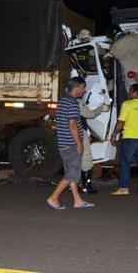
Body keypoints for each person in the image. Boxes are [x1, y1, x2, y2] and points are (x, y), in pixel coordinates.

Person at [46, 77, 95, 210]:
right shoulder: (73, 103)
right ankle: (54, 197)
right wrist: (79, 143)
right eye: (83, 87)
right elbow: (72, 125)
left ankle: (77, 200)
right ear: (77, 87)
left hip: (63, 143)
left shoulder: (63, 101)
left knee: (70, 173)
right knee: (72, 174)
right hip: (71, 144)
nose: (84, 91)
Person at [107, 71, 138, 196]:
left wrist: (113, 134)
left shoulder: (127, 104)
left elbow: (121, 122)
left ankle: (124, 188)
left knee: (125, 163)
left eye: (130, 90)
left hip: (129, 139)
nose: (129, 93)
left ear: (133, 92)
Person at [105, 24, 138, 92]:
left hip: (131, 75)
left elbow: (111, 51)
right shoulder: (135, 37)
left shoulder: (114, 49)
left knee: (132, 95)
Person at [79, 102, 110, 194]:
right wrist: (101, 108)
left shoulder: (66, 102)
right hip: (80, 133)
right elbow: (91, 114)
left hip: (70, 135)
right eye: (82, 87)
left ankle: (74, 185)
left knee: (75, 162)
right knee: (86, 161)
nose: (83, 89)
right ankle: (86, 187)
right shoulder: (78, 103)